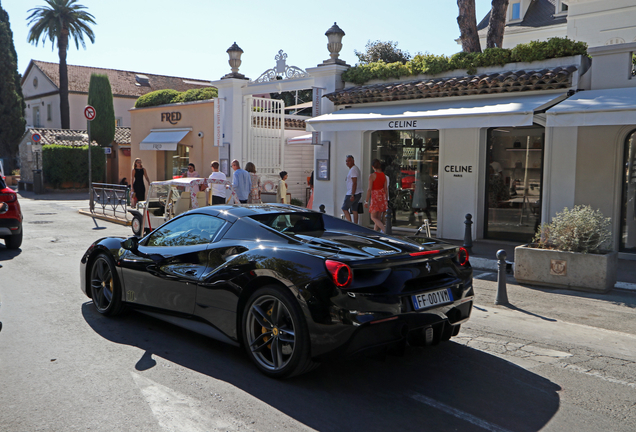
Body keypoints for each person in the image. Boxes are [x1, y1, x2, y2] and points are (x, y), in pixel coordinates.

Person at [364, 159, 388, 232]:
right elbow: (386, 188)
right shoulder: (384, 175)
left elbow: (369, 189)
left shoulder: (372, 176)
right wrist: (386, 199)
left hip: (375, 196)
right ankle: (375, 233)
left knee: (373, 217)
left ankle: (385, 230)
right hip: (382, 196)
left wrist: (366, 201)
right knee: (378, 218)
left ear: (373, 166)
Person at [342, 155, 363, 223]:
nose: (347, 163)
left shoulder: (353, 170)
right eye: (346, 161)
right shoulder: (354, 169)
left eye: (349, 161)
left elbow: (354, 183)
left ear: (353, 161)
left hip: (352, 193)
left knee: (344, 208)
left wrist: (352, 194)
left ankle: (350, 224)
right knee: (354, 210)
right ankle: (355, 224)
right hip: (357, 192)